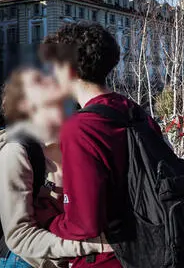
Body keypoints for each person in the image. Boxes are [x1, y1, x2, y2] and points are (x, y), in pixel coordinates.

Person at [39, 21, 162, 267]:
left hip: (109, 258)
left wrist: (46, 219)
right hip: (149, 247)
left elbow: (84, 223)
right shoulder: (135, 112)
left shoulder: (80, 128)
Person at [0, 67, 111, 268]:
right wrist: (93, 245)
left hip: (74, 260)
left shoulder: (74, 146)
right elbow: (20, 237)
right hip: (27, 263)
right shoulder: (14, 155)